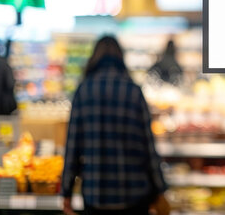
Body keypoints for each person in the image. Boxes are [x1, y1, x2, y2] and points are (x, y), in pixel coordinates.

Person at [61, 36, 168, 215]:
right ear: (121, 58)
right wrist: (159, 189)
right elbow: (148, 148)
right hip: (134, 195)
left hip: (96, 195)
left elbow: (72, 147)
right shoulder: (134, 91)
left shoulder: (83, 91)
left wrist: (66, 192)